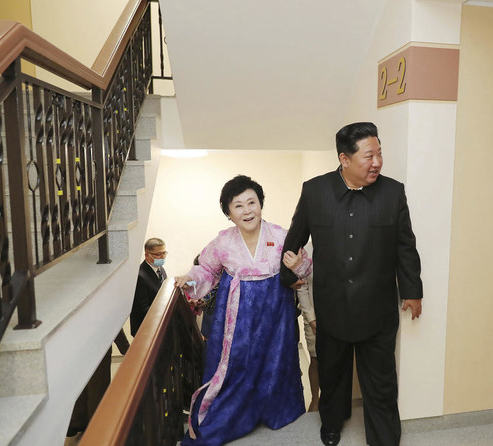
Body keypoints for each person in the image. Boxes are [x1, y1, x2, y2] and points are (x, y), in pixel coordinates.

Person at [280, 122, 423, 446]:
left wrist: (413, 291)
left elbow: (405, 245)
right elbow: (295, 239)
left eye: (379, 153)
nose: (376, 162)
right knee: (333, 375)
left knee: (382, 381)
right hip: (333, 307)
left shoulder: (393, 192)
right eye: (368, 156)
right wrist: (287, 279)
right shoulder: (315, 191)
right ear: (344, 159)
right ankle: (331, 424)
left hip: (378, 307)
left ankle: (385, 438)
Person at [174, 175, 312, 446]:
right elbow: (206, 269)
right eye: (238, 205)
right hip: (237, 313)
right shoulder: (223, 242)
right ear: (228, 213)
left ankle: (273, 410)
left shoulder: (282, 235)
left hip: (276, 311)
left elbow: (305, 268)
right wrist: (188, 279)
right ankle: (235, 415)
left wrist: (297, 264)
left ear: (261, 204)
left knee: (276, 361)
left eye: (252, 202)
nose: (248, 210)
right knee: (237, 364)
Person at [296, 244, 319, 412]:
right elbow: (302, 286)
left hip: (339, 315)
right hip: (313, 316)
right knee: (316, 359)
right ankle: (315, 400)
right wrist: (311, 318)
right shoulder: (307, 250)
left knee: (336, 361)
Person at [130, 237, 168, 336]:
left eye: (164, 253)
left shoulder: (161, 269)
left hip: (159, 324)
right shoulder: (140, 276)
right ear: (147, 255)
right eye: (158, 254)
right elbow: (143, 309)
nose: (163, 257)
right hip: (146, 329)